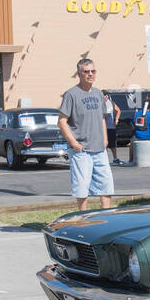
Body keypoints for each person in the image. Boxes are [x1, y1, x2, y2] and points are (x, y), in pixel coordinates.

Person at [58, 57, 116, 211]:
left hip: (99, 149)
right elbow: (62, 121)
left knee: (106, 184)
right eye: (86, 72)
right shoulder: (71, 94)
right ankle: (83, 217)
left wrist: (105, 140)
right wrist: (74, 143)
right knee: (82, 186)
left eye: (93, 71)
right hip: (81, 150)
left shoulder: (98, 94)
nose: (90, 74)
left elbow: (103, 118)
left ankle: (106, 215)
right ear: (79, 74)